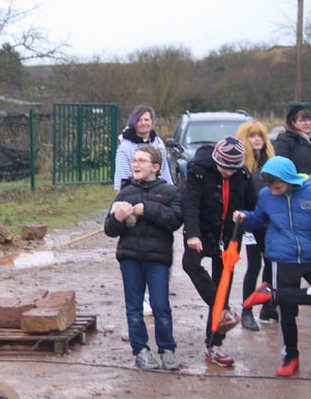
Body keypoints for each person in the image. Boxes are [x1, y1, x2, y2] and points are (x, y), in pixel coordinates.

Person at [234, 156, 311, 377]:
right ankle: (290, 356)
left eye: (278, 188)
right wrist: (245, 217)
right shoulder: (266, 195)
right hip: (282, 258)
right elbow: (258, 219)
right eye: (270, 188)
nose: (273, 192)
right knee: (287, 311)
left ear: (290, 180)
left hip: (310, 256)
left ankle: (272, 294)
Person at [104, 146, 182, 371]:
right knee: (134, 308)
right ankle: (141, 351)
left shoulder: (170, 192)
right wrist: (118, 218)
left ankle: (167, 349)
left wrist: (146, 209)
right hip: (130, 258)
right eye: (134, 161)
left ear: (155, 167)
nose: (135, 164)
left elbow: (175, 219)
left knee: (160, 306)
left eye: (141, 161)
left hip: (158, 259)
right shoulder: (124, 193)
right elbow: (109, 229)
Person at [181, 136, 257, 367]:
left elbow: (252, 206)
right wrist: (192, 234)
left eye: (233, 169)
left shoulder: (243, 175)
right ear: (216, 160)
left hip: (229, 237)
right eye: (224, 167)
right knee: (190, 263)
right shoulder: (198, 171)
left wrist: (245, 218)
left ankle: (214, 345)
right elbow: (190, 203)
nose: (228, 172)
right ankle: (222, 308)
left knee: (223, 283)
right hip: (202, 232)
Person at [234, 121, 277, 329]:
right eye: (252, 136)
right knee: (254, 265)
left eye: (260, 135)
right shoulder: (241, 166)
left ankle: (267, 305)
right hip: (250, 221)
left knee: (271, 263)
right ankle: (247, 310)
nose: (257, 139)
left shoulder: (271, 162)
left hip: (270, 221)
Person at [274, 104, 311, 191]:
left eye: (310, 120)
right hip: (300, 191)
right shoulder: (285, 141)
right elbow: (281, 168)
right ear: (292, 122)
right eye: (302, 120)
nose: (307, 123)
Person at [113, 104, 173, 190]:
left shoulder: (158, 143)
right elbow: (122, 177)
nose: (143, 123)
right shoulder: (124, 147)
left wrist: (170, 190)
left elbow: (164, 170)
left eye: (146, 120)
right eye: (139, 120)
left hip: (158, 191)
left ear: (152, 122)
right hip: (134, 191)